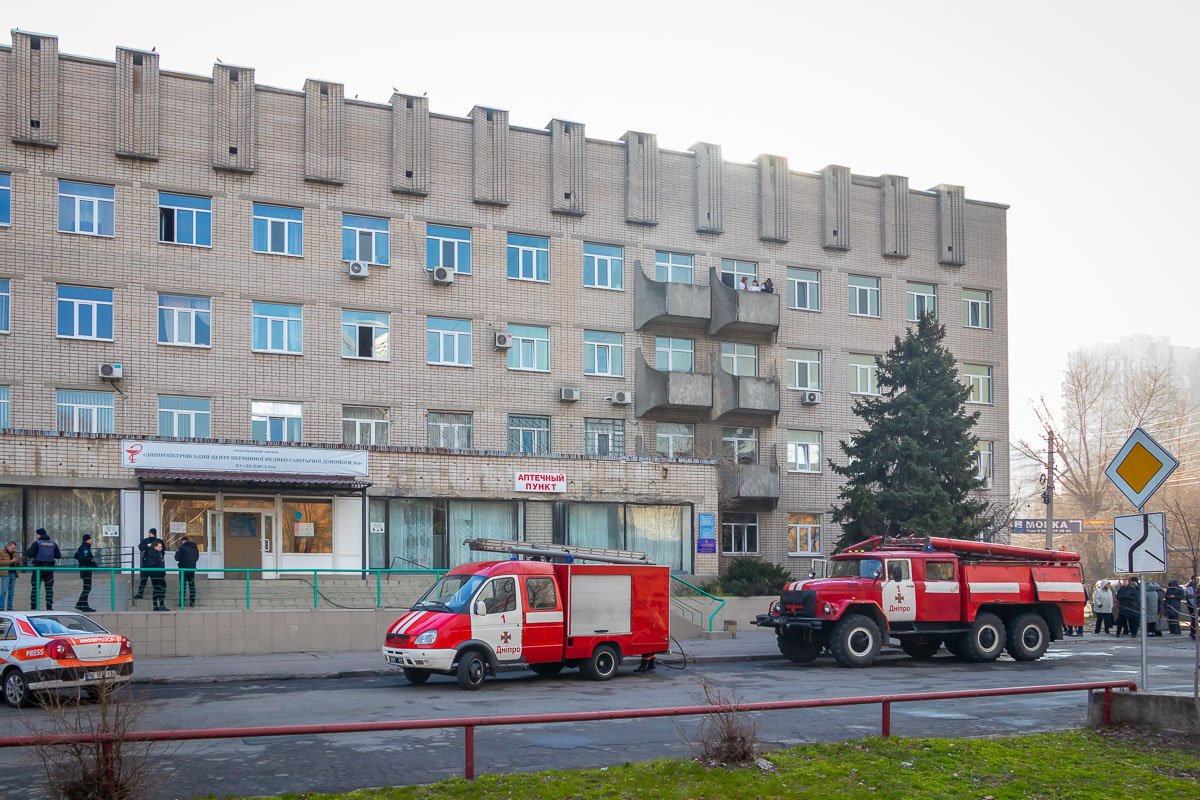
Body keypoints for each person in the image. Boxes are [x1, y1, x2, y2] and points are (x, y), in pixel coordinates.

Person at [25, 528, 61, 610]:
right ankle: (49, 607)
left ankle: (34, 607)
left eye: (36, 534)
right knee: (49, 588)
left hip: (38, 568)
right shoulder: (53, 544)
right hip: (49, 569)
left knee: (35, 588)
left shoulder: (36, 543)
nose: (36, 536)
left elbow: (30, 554)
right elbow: (58, 555)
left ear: (39, 535)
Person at [134, 528, 163, 600]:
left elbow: (163, 550)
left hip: (155, 565)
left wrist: (161, 560)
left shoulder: (159, 541)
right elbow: (140, 547)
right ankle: (140, 593)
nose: (150, 534)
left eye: (151, 533)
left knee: (155, 581)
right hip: (146, 564)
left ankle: (157, 594)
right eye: (149, 533)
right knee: (143, 580)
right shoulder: (145, 540)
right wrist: (147, 546)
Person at [73, 534, 98, 613]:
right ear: (88, 540)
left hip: (85, 569)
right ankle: (82, 605)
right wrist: (91, 561)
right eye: (91, 539)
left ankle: (82, 604)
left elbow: (76, 556)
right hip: (86, 569)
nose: (92, 540)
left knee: (87, 587)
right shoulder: (85, 548)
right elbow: (83, 558)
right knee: (87, 587)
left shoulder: (84, 547)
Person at [174, 535, 200, 608]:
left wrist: (176, 552)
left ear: (182, 541)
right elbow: (197, 557)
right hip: (192, 568)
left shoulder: (181, 547)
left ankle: (182, 602)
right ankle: (192, 602)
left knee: (183, 586)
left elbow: (177, 558)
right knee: (192, 585)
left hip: (183, 569)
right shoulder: (194, 547)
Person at [144, 540, 169, 611]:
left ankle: (155, 606)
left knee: (155, 589)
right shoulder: (158, 554)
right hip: (159, 573)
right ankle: (162, 605)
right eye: (160, 546)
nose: (161, 548)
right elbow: (161, 564)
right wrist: (163, 572)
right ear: (155, 547)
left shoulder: (148, 553)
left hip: (152, 574)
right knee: (162, 588)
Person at [1, 542, 19, 611]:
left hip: (13, 573)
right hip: (5, 573)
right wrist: (10, 561)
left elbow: (18, 563)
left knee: (11, 592)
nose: (13, 549)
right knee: (4, 591)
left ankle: (10, 608)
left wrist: (17, 561)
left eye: (14, 548)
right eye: (12, 548)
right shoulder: (1, 552)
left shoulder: (15, 553)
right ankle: (1, 607)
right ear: (8, 547)